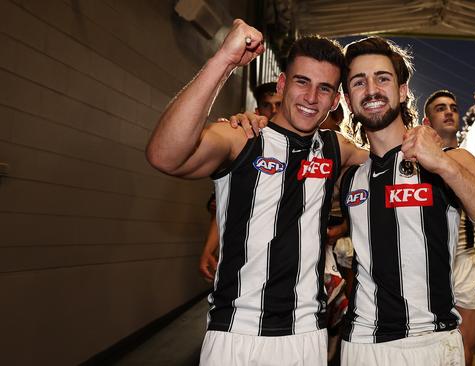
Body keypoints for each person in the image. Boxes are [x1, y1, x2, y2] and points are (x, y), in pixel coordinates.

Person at [146, 19, 366, 365]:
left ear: (336, 100)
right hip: (237, 333)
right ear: (282, 84)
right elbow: (164, 155)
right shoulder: (242, 136)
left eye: (324, 89)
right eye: (302, 82)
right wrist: (223, 61)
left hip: (306, 335)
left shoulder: (336, 147)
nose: (311, 98)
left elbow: (392, 161)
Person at [338, 36, 475, 365]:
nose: (371, 89)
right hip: (362, 345)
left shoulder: (452, 161)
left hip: (434, 344)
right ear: (348, 100)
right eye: (359, 82)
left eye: (382, 78)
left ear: (402, 91)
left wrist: (443, 165)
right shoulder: (350, 175)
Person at [423, 89, 475, 365]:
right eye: (441, 108)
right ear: (426, 122)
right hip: (427, 266)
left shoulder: (473, 165)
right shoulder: (415, 162)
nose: (449, 112)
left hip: (464, 263)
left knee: (465, 349)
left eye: (453, 107)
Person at [198, 82, 282, 283]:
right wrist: (209, 249)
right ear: (257, 109)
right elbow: (223, 208)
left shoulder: (305, 146)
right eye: (266, 105)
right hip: (247, 266)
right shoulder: (242, 141)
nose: (273, 111)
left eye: (278, 104)